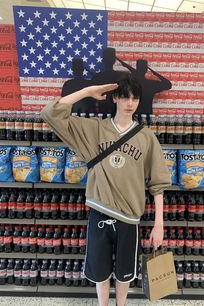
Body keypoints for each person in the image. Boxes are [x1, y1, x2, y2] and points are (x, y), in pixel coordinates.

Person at [41, 73, 171, 306]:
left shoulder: (147, 138)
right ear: (114, 99)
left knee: (124, 273)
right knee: (99, 271)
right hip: (99, 211)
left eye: (134, 98)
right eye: (124, 97)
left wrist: (159, 223)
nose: (129, 103)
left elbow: (158, 183)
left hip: (129, 217)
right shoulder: (95, 130)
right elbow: (51, 113)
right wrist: (87, 91)